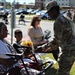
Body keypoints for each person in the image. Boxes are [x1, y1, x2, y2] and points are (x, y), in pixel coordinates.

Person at [46, 1, 75, 75]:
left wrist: (43, 47)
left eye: (49, 12)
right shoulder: (66, 17)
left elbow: (56, 41)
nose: (48, 14)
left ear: (54, 11)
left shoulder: (59, 21)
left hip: (67, 51)